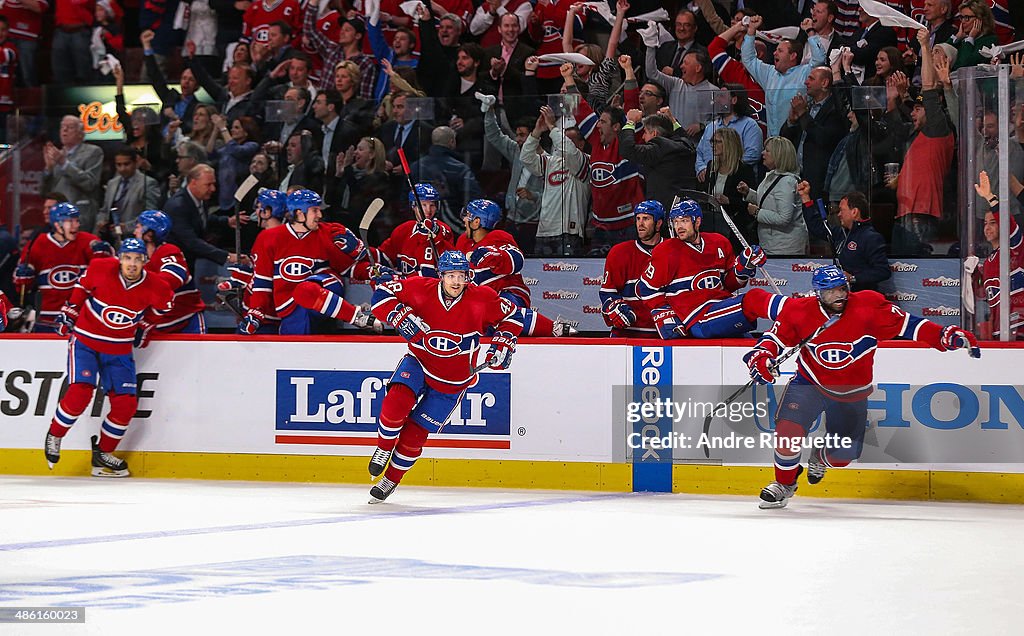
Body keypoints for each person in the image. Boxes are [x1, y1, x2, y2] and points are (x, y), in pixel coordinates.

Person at [744, 264, 980, 509]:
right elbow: (774, 340)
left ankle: (820, 457)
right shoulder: (798, 311)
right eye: (830, 292)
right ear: (817, 293)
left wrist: (943, 335)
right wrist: (761, 357)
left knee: (842, 456)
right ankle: (784, 484)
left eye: (841, 289)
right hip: (810, 382)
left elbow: (911, 326)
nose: (838, 296)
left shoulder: (869, 306)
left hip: (851, 393)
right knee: (787, 432)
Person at [366, 250, 524, 502]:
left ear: (467, 276)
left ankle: (390, 480)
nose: (455, 281)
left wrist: (503, 341)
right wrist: (399, 315)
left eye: (460, 275)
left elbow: (515, 315)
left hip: (454, 379)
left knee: (415, 435)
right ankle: (383, 447)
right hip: (419, 361)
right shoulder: (419, 288)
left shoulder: (482, 299)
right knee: (396, 403)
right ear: (440, 276)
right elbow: (381, 295)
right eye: (450, 275)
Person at [43, 237, 175, 477]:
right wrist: (70, 311)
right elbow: (82, 288)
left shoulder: (157, 286)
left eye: (137, 259)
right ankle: (55, 435)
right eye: (127, 258)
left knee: (125, 405)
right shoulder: (101, 268)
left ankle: (102, 454)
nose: (131, 264)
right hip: (85, 342)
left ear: (145, 261)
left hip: (120, 349)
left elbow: (163, 308)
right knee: (80, 392)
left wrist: (145, 324)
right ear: (119, 258)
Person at [637, 199, 785, 339]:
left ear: (698, 221)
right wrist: (663, 313)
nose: (679, 227)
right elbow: (645, 288)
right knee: (754, 299)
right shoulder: (666, 250)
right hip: (698, 316)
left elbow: (730, 285)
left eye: (684, 221)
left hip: (721, 307)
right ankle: (795, 310)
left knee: (753, 344)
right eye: (675, 222)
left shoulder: (719, 242)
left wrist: (744, 266)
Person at [243, 188, 379, 335]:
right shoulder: (268, 238)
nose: (320, 215)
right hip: (290, 305)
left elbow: (348, 268)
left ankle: (356, 316)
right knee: (294, 346)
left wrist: (364, 258)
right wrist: (256, 310)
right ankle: (349, 312)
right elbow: (262, 282)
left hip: (325, 289)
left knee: (306, 290)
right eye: (315, 210)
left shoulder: (328, 232)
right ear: (299, 213)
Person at [457, 198, 576, 337]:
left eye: (468, 216)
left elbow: (516, 261)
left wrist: (491, 257)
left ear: (476, 222)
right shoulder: (462, 242)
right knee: (478, 325)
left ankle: (553, 328)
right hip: (481, 302)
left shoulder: (498, 236)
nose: (464, 220)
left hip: (509, 293)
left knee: (501, 312)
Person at [566, 59, 643, 255]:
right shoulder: (596, 141)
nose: (598, 125)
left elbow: (633, 107)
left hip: (628, 224)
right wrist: (568, 78)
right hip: (601, 226)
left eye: (602, 122)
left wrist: (628, 71)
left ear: (616, 127)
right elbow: (580, 111)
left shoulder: (628, 141)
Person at [13, 202, 113, 332]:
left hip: (79, 316)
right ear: (57, 224)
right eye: (70, 221)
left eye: (77, 221)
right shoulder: (38, 243)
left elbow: (107, 275)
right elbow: (21, 288)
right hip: (46, 317)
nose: (76, 225)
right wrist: (22, 277)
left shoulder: (88, 241)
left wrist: (105, 255)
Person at [520, 105, 589, 256]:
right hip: (544, 231)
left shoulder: (585, 161)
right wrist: (537, 131)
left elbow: (569, 151)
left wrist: (552, 126)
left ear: (581, 144)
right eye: (561, 139)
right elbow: (525, 158)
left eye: (568, 140)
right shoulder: (552, 162)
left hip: (570, 232)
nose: (561, 143)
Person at [740, 15, 826, 136]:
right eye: (776, 50)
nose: (775, 53)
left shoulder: (805, 73)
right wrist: (751, 31)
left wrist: (810, 31)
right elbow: (748, 59)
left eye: (780, 51)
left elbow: (820, 58)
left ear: (793, 56)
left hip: (794, 144)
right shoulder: (769, 73)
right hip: (772, 144)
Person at [799, 184, 891, 292]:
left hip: (863, 297)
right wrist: (805, 198)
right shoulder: (841, 233)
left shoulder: (871, 237)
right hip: (843, 296)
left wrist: (852, 278)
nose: (838, 214)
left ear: (854, 212)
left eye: (841, 210)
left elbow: (882, 271)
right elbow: (817, 227)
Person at [133, 209, 207, 334]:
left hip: (186, 322)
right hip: (157, 326)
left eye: (138, 227)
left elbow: (173, 278)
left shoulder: (168, 250)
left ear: (149, 234)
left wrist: (141, 278)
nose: (134, 232)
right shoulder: (137, 257)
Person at [971, 171, 1024, 340]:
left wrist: (990, 198)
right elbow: (983, 295)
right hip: (998, 331)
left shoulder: (1016, 247)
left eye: (993, 222)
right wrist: (973, 274)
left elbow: (1007, 223)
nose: (987, 227)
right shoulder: (987, 262)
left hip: (1020, 328)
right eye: (985, 224)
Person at [599, 200, 665, 338]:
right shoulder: (620, 252)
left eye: (646, 219)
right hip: (627, 333)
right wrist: (613, 306)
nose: (640, 224)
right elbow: (607, 293)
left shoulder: (673, 251)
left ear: (658, 223)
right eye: (638, 219)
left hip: (664, 333)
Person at [738, 136, 807, 256]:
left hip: (785, 248)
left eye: (767, 151)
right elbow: (769, 200)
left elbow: (784, 218)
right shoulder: (772, 176)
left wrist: (757, 213)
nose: (763, 153)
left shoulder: (787, 182)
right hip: (772, 244)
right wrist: (749, 193)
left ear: (779, 155)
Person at [41, 115, 104, 233]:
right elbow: (44, 193)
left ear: (81, 133)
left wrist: (64, 163)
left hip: (80, 216)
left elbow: (90, 183)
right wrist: (48, 169)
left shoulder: (93, 152)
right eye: (62, 127)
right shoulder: (57, 155)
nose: (64, 130)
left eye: (69, 127)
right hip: (57, 219)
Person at [96, 147, 161, 240]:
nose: (122, 168)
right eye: (119, 165)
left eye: (126, 164)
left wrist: (127, 227)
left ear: (135, 163)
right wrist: (101, 221)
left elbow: (150, 215)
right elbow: (104, 209)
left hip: (135, 238)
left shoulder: (148, 183)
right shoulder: (112, 183)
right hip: (111, 238)